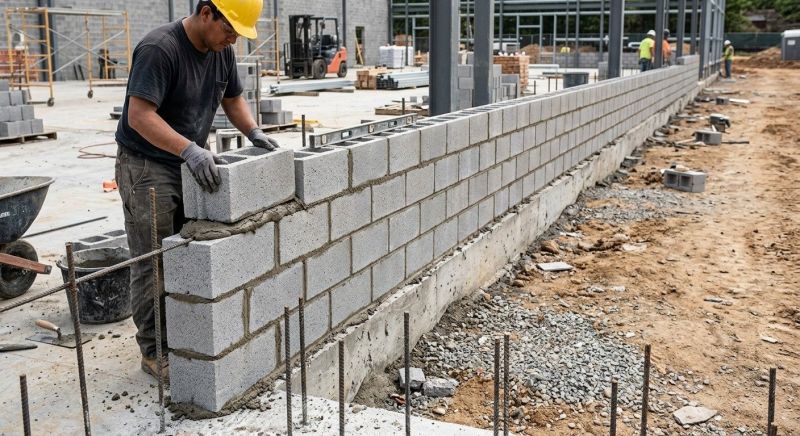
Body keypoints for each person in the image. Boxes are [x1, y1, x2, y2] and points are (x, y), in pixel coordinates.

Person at [114, 0, 279, 382]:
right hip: (147, 166)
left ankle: (187, 337)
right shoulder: (161, 49)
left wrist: (253, 132)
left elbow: (232, 97)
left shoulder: (221, 51)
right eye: (229, 30)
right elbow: (138, 116)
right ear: (207, 13)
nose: (232, 39)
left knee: (188, 252)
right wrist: (189, 149)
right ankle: (155, 351)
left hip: (189, 164)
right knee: (152, 261)